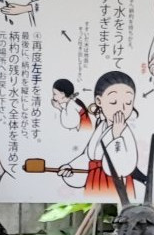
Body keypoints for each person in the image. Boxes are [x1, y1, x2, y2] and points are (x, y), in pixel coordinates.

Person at [58, 71, 141, 200]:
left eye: (128, 102)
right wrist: (71, 168)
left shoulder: (124, 131)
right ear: (99, 101)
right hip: (95, 180)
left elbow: (123, 167)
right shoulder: (101, 126)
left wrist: (117, 136)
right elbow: (88, 156)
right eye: (113, 102)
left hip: (115, 184)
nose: (122, 108)